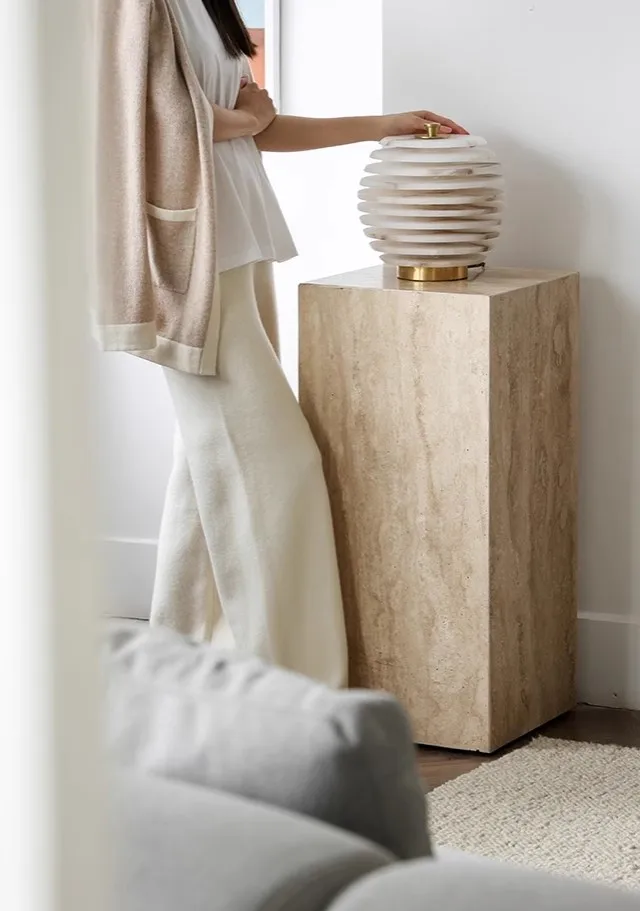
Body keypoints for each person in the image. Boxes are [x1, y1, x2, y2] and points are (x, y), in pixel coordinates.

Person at [94, 0, 466, 688]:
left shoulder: (210, 6)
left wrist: (386, 124)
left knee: (205, 465)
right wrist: (244, 118)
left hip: (241, 249)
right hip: (191, 263)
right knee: (276, 463)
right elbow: (133, 118)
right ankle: (292, 684)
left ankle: (178, 664)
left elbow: (253, 130)